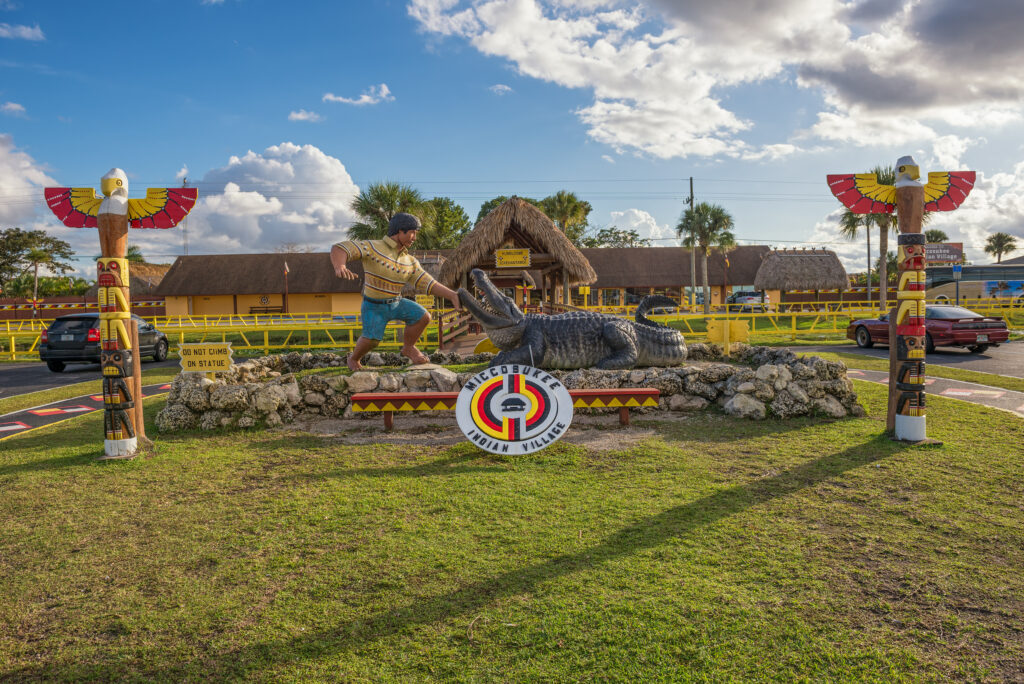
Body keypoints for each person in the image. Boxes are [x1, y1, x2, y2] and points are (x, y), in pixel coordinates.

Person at [331, 213, 461, 371]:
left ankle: (409, 347)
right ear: (400, 231)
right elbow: (341, 248)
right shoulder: (372, 247)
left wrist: (452, 295)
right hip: (374, 306)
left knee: (423, 317)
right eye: (412, 232)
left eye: (416, 233)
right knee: (371, 340)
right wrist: (340, 266)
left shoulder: (410, 261)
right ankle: (354, 359)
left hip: (397, 303)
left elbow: (429, 283)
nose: (414, 237)